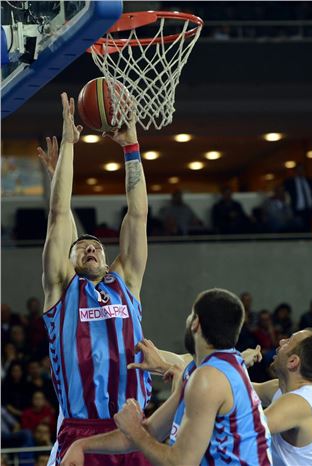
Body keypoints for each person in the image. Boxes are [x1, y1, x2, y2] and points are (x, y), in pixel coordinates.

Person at [40, 93, 151, 466]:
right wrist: (70, 145)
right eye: (81, 247)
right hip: (82, 431)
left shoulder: (126, 281)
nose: (90, 249)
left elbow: (136, 217)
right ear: (68, 262)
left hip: (136, 429)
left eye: (96, 246)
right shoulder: (63, 289)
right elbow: (59, 215)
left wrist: (131, 145)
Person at [62, 288, 272, 465]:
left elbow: (180, 462)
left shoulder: (208, 378)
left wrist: (135, 431)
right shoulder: (205, 370)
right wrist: (82, 445)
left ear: (195, 323)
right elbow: (150, 431)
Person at [253, 328, 312, 465]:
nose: (281, 341)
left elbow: (244, 429)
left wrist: (235, 361)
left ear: (293, 361)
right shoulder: (287, 389)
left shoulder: (297, 403)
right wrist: (236, 362)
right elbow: (237, 389)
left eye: (288, 342)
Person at [284, 163, 312, 233]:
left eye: (302, 170)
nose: (300, 172)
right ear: (295, 171)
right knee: (298, 229)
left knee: (308, 230)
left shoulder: (309, 181)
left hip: (309, 210)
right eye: (299, 170)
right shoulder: (290, 182)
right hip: (296, 211)